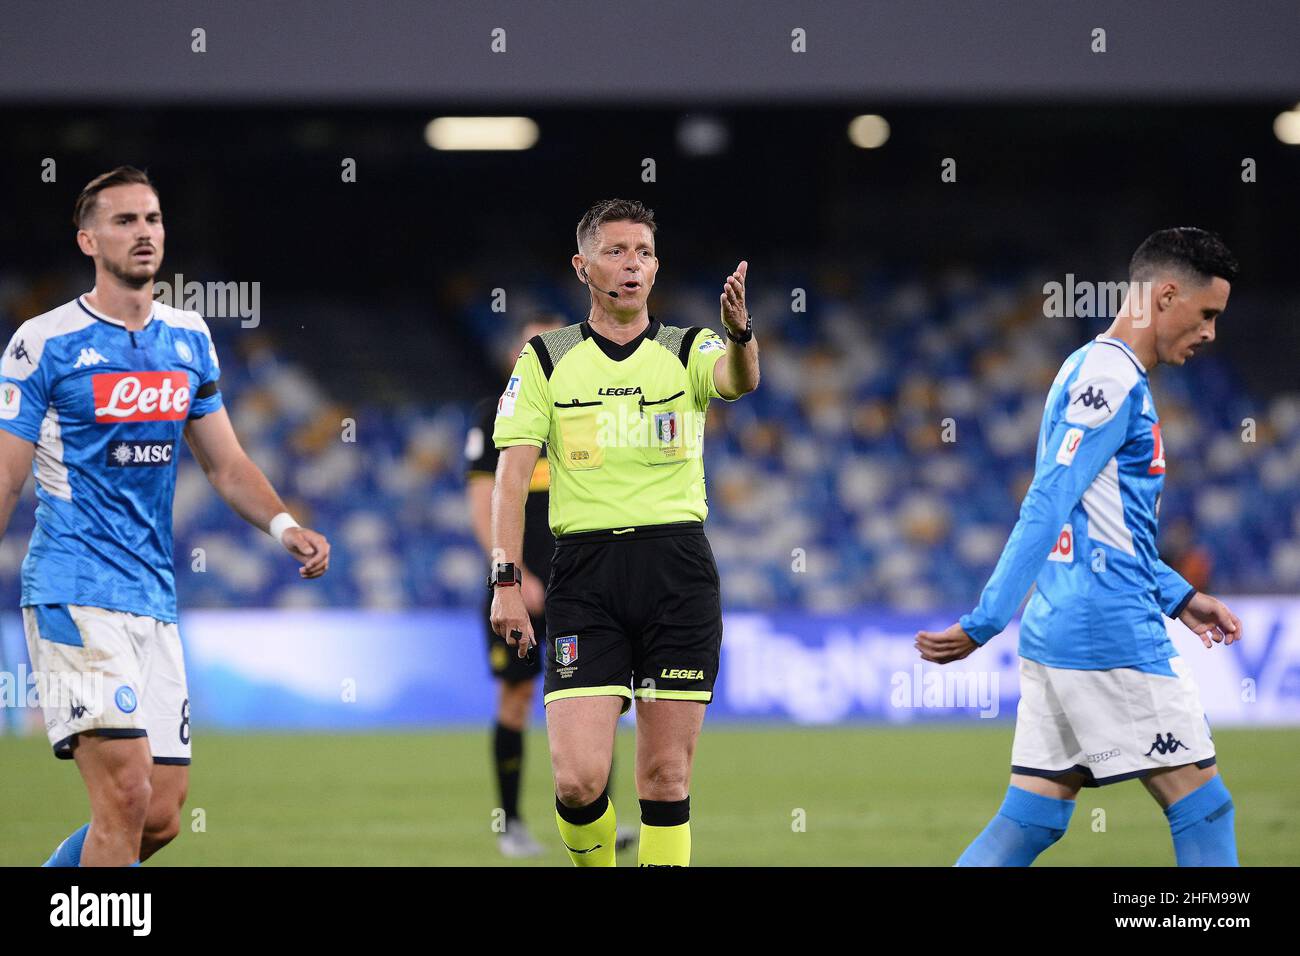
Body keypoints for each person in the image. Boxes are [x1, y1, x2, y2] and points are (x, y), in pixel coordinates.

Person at [0, 166, 330, 867]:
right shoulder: (43, 343)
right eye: (124, 221)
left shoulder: (188, 337)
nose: (144, 232)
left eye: (152, 219)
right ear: (88, 239)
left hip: (154, 600)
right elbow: (6, 471)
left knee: (158, 815)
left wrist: (282, 526)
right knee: (121, 797)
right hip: (74, 591)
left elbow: (227, 464)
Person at [917, 227, 1243, 867]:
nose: (1210, 333)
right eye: (1207, 314)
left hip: (1063, 625)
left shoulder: (1086, 366)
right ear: (1168, 295)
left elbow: (1103, 524)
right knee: (1205, 806)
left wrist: (1179, 596)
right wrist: (987, 617)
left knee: (1030, 819)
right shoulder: (1110, 379)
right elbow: (1048, 501)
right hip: (1108, 630)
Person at [487, 199, 759, 866]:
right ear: (582, 267)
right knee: (578, 781)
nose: (631, 263)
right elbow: (512, 479)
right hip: (586, 576)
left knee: (664, 777)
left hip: (677, 573)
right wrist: (506, 580)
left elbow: (739, 381)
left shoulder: (691, 346)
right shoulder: (546, 359)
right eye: (615, 251)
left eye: (642, 252)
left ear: (655, 266)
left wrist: (743, 335)